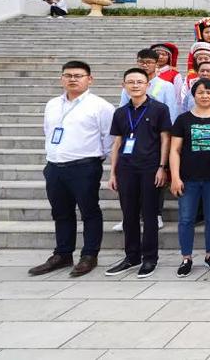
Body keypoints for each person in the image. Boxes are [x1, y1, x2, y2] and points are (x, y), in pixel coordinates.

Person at [29, 61, 115, 278]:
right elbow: (49, 131)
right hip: (55, 167)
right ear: (61, 78)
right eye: (68, 75)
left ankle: (89, 255)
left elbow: (109, 139)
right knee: (61, 212)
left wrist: (105, 164)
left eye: (78, 76)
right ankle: (62, 254)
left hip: (84, 166)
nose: (73, 79)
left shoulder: (100, 106)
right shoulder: (52, 104)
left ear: (89, 79)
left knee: (89, 211)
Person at [105, 67, 172, 278]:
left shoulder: (159, 109)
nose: (135, 85)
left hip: (150, 168)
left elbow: (165, 139)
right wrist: (112, 173)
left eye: (139, 82)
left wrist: (162, 167)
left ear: (147, 85)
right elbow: (117, 143)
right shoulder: (120, 112)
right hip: (126, 169)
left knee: (150, 215)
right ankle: (131, 256)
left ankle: (150, 258)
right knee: (129, 214)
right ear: (124, 85)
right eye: (131, 82)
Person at [169, 78, 210, 277]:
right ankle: (186, 258)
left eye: (209, 92)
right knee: (186, 218)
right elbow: (174, 150)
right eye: (200, 92)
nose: (205, 96)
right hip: (188, 178)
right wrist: (175, 177)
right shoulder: (183, 120)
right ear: (193, 95)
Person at [150, 42, 186, 109]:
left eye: (164, 54)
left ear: (169, 57)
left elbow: (178, 96)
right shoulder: (147, 72)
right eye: (157, 54)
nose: (160, 57)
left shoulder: (174, 74)